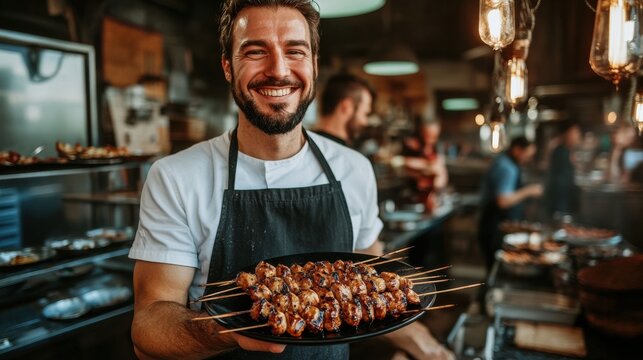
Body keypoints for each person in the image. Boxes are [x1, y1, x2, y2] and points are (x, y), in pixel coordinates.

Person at [128, 1, 452, 359]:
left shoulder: (354, 169)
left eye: (295, 51)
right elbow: (148, 327)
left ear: (314, 64)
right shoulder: (176, 177)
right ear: (227, 67)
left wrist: (421, 343)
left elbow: (367, 285)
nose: (278, 70)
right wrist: (229, 330)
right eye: (255, 51)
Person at [477, 136, 543, 271]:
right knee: (497, 270)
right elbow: (503, 201)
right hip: (495, 228)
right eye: (527, 155)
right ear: (517, 150)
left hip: (494, 225)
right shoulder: (507, 168)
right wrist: (529, 191)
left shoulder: (505, 162)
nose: (528, 159)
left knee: (493, 268)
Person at [314, 73, 374, 147]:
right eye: (365, 113)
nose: (365, 122)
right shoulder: (345, 155)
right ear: (346, 107)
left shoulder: (306, 146)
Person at [402, 120, 449, 213]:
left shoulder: (436, 147)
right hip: (416, 195)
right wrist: (427, 166)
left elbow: (440, 168)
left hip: (433, 194)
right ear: (423, 132)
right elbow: (406, 162)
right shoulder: (412, 145)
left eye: (435, 136)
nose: (432, 139)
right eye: (429, 135)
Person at [544, 121, 581, 217]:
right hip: (560, 204)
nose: (578, 136)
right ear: (567, 134)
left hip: (563, 203)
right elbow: (561, 183)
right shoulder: (561, 152)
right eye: (575, 132)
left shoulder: (566, 151)